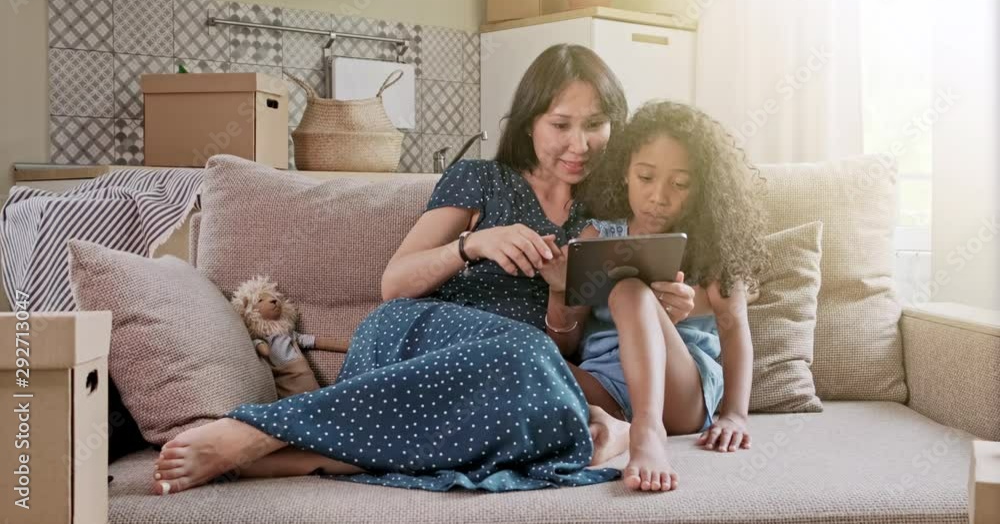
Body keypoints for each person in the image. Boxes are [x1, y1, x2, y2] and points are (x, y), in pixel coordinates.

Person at [150, 45, 685, 495]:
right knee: (533, 361)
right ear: (530, 122)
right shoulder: (480, 179)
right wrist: (473, 244)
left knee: (551, 395)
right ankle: (259, 432)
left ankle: (318, 455)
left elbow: (564, 348)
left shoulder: (605, 220)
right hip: (413, 338)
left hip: (505, 380)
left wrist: (560, 297)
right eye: (561, 125)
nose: (579, 144)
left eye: (596, 126)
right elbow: (395, 284)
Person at [537, 101, 769, 492]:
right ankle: (613, 428)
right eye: (646, 177)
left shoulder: (713, 248)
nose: (659, 197)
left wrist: (735, 415)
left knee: (629, 289)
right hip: (605, 384)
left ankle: (646, 431)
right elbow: (566, 343)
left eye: (680, 185)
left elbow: (735, 333)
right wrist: (558, 291)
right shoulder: (596, 237)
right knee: (526, 354)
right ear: (625, 172)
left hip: (679, 395)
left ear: (702, 188)